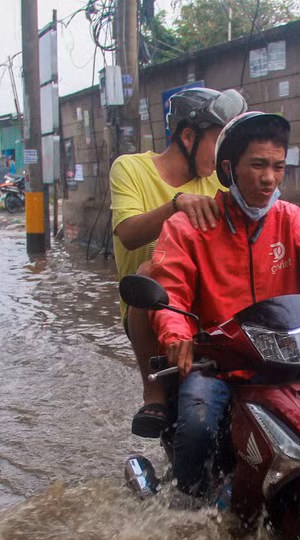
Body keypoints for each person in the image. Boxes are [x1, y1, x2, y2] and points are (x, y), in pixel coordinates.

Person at [147, 111, 300, 497]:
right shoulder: (189, 226)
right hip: (221, 366)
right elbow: (169, 289)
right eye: (258, 165)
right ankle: (184, 510)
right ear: (228, 168)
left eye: (278, 166)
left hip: (289, 361)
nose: (269, 178)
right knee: (198, 427)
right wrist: (177, 332)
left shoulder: (288, 218)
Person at [110, 86, 247, 439]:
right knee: (149, 272)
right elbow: (128, 233)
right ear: (188, 136)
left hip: (212, 307)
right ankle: (153, 393)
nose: (224, 156)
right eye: (219, 143)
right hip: (152, 309)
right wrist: (176, 206)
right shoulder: (130, 169)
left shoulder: (221, 182)